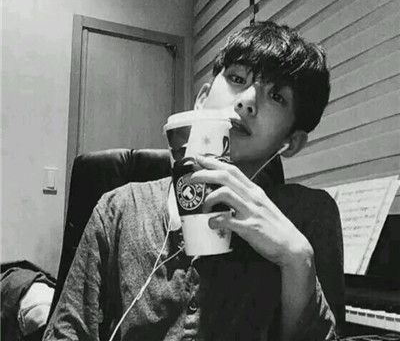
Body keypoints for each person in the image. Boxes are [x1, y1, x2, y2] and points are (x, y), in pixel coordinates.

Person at [43, 21, 345, 341]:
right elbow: (65, 332)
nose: (247, 101)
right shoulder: (119, 208)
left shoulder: (307, 218)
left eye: (276, 96)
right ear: (201, 100)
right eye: (237, 78)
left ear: (291, 142)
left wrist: (297, 259)